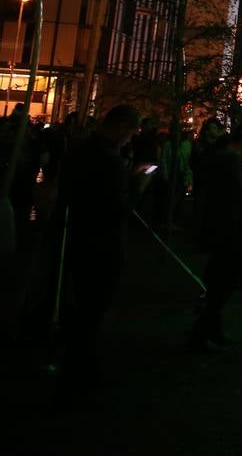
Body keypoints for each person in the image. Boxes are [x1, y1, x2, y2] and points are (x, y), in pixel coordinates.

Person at [54, 104, 142, 407]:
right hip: (103, 244)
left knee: (83, 308)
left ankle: (82, 370)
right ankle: (78, 376)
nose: (131, 139)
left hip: (79, 237)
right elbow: (118, 209)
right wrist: (137, 186)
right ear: (120, 127)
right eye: (131, 132)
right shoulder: (109, 161)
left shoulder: (79, 152)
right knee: (92, 310)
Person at [190, 120, 242, 352]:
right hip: (229, 231)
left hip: (222, 228)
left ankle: (212, 330)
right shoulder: (229, 162)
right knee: (224, 281)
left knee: (220, 281)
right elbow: (235, 195)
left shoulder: (220, 158)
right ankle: (201, 334)